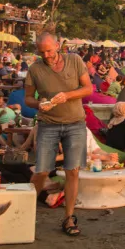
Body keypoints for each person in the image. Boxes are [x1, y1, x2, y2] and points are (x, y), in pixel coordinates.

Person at [25, 33, 93, 237]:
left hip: (75, 124)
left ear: (58, 45)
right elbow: (28, 98)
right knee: (42, 172)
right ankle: (25, 214)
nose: (46, 55)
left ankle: (69, 217)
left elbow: (88, 88)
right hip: (48, 124)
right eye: (42, 52)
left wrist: (68, 95)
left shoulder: (74, 60)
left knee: (72, 171)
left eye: (49, 50)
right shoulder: (35, 69)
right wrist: (39, 104)